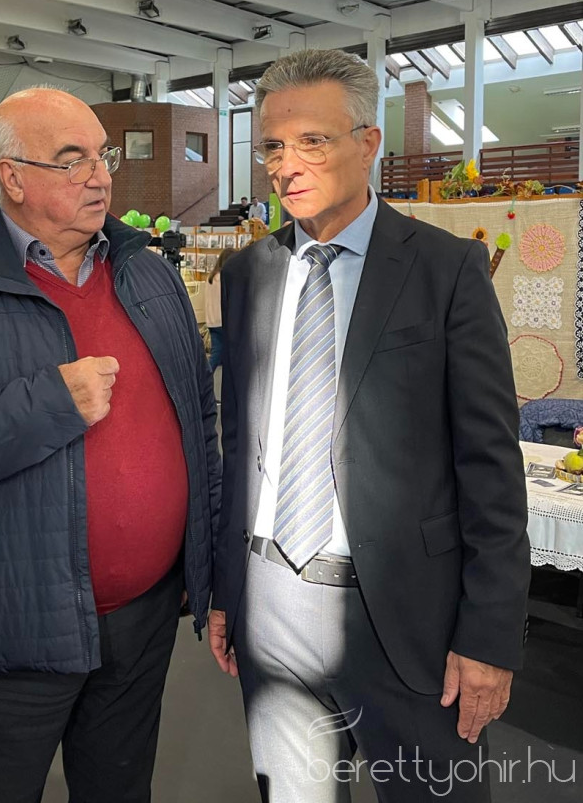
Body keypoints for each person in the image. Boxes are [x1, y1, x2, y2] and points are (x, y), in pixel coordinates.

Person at [0, 88, 220, 803]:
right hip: (17, 625)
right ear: (13, 178)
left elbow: (197, 423)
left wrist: (207, 569)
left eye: (102, 156)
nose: (100, 177)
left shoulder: (148, 273)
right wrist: (47, 405)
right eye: (72, 159)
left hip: (145, 618)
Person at [209, 49, 530, 802]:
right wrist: (228, 588)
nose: (287, 166)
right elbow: (240, 444)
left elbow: (489, 466)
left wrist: (487, 636)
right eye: (273, 147)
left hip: (408, 621)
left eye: (312, 141)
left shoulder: (446, 270)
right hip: (271, 608)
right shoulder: (247, 275)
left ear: (368, 143)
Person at [204, 247, 236, 373]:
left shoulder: (211, 277)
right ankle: (206, 375)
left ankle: (208, 374)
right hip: (222, 320)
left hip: (211, 319)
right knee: (219, 352)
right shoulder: (225, 277)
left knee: (217, 350)